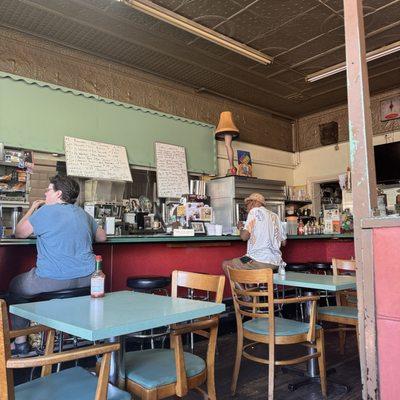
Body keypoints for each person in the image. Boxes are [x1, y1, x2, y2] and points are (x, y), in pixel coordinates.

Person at [8, 175, 107, 355]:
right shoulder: (83, 214)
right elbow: (102, 237)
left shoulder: (46, 211)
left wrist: (32, 208)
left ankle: (21, 343)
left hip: (53, 280)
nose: (45, 193)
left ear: (59, 193)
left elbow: (20, 233)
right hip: (89, 281)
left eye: (48, 189)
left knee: (16, 285)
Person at [222, 192, 286, 276]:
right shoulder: (275, 216)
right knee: (245, 263)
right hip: (277, 262)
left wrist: (240, 227)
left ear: (254, 202)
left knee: (226, 264)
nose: (247, 208)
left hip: (257, 260)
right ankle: (252, 288)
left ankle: (241, 290)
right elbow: (284, 243)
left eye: (247, 204)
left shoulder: (254, 211)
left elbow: (244, 237)